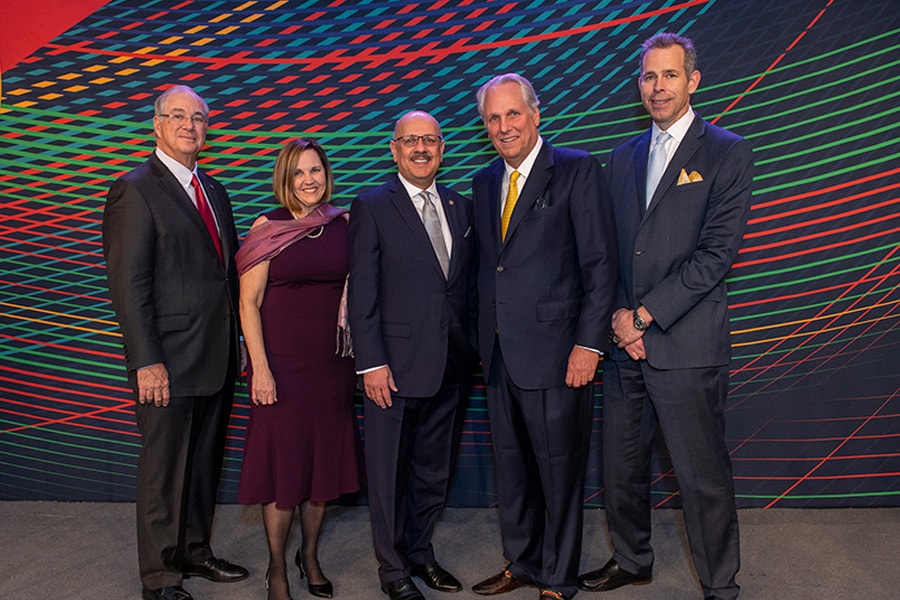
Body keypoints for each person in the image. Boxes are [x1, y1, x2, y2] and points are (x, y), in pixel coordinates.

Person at [576, 33, 753, 600]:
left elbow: (715, 257)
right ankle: (632, 560)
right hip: (626, 346)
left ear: (693, 80)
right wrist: (618, 320)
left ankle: (721, 585)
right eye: (649, 77)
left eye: (670, 75)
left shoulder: (726, 150)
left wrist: (645, 316)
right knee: (621, 470)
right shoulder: (623, 155)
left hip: (685, 345)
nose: (658, 87)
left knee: (702, 480)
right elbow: (607, 249)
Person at [470, 74, 618, 600]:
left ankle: (558, 578)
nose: (504, 126)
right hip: (499, 355)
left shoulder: (577, 170)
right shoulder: (485, 180)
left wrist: (589, 344)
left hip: (559, 356)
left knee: (559, 474)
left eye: (513, 114)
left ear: (536, 115)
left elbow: (601, 267)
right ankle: (523, 563)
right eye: (493, 118)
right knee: (513, 472)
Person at [102, 84, 248, 600]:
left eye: (200, 118)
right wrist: (147, 361)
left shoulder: (213, 188)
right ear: (157, 125)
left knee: (205, 463)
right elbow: (129, 285)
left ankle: (194, 550)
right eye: (178, 116)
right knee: (164, 473)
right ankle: (161, 579)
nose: (190, 125)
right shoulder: (135, 189)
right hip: (166, 362)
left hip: (217, 355)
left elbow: (223, 277)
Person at [347, 110, 478, 600]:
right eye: (410, 141)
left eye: (429, 140)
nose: (420, 148)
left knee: (433, 469)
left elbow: (462, 288)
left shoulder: (459, 206)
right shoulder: (372, 205)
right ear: (394, 148)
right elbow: (363, 292)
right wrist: (371, 363)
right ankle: (392, 570)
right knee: (387, 474)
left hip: (452, 364)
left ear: (442, 148)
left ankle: (421, 554)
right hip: (393, 368)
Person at [236, 138, 361, 600]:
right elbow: (248, 304)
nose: (309, 181)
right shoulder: (267, 227)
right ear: (284, 179)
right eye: (299, 173)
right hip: (281, 369)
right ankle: (276, 569)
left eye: (316, 171)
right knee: (284, 474)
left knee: (321, 472)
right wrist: (261, 370)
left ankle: (309, 555)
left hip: (331, 368)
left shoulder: (344, 224)